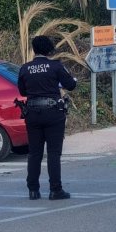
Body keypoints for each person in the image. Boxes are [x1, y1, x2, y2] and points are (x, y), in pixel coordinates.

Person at [17, 35, 77, 200]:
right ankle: (55, 190)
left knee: (34, 153)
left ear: (34, 49)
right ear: (49, 49)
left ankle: (33, 190)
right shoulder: (55, 66)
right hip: (53, 113)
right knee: (53, 153)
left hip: (32, 113)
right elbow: (71, 85)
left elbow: (22, 92)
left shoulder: (25, 68)